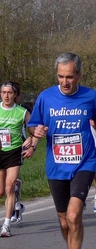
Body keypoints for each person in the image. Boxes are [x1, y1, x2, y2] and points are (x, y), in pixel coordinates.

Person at [27, 52, 96, 248]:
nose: (65, 81)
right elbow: (33, 124)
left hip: (84, 162)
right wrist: (36, 130)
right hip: (56, 164)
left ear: (79, 76)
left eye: (70, 77)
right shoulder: (46, 97)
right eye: (61, 76)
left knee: (74, 215)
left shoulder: (90, 96)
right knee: (64, 221)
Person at [0, 81, 38, 237]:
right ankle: (17, 190)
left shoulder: (22, 112)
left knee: (8, 188)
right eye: (4, 92)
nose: (7, 95)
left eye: (10, 92)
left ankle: (6, 225)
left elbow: (35, 130)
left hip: (14, 152)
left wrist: (31, 142)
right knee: (1, 191)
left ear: (15, 95)